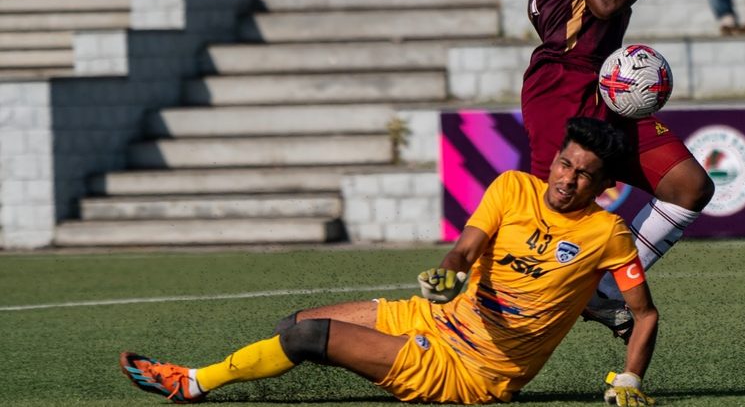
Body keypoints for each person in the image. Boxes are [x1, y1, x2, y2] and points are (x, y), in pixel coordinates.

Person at [119, 117, 660, 406]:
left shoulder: (607, 233)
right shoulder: (513, 186)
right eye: (565, 163)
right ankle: (380, 355)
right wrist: (449, 274)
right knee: (296, 326)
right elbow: (466, 248)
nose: (567, 179)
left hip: (472, 372)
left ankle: (190, 383)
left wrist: (631, 377)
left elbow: (644, 314)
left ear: (604, 185)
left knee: (308, 340)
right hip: (436, 320)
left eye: (584, 174)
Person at [522, 0, 714, 338]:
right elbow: (604, 2)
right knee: (549, 222)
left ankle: (604, 293)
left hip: (599, 83)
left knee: (688, 186)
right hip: (567, 82)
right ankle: (494, 333)